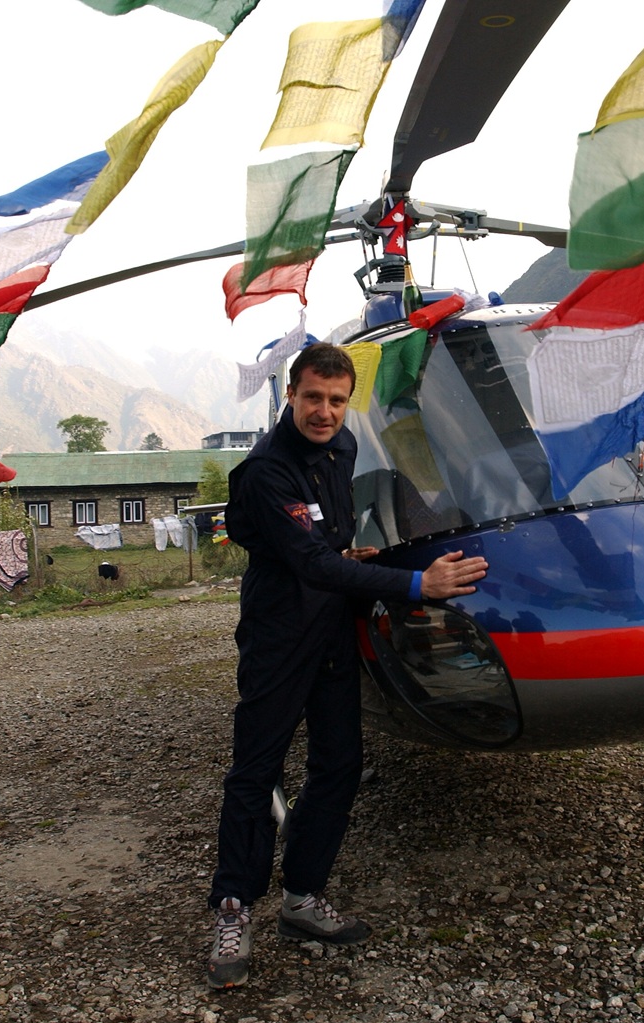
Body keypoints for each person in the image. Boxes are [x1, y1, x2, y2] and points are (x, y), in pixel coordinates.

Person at [207, 343, 487, 990]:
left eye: (337, 400)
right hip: (279, 636)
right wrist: (416, 584)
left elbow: (324, 542)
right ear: (291, 396)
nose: (325, 412)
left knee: (339, 764)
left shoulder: (344, 449)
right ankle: (233, 906)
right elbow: (306, 561)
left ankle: (302, 895)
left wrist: (345, 550)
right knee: (256, 770)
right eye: (313, 398)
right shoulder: (264, 471)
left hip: (332, 625)